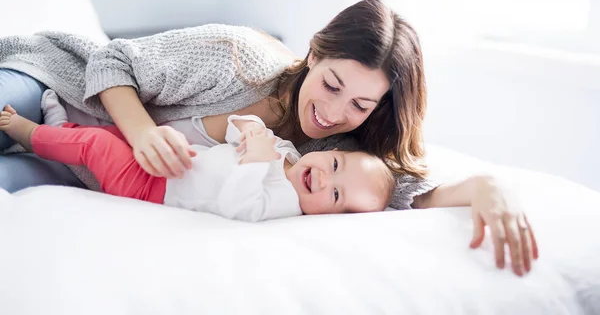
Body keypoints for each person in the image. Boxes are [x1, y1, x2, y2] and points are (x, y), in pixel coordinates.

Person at [0, 0, 538, 275]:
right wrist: (139, 131)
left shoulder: (329, 157)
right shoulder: (237, 57)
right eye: (330, 84)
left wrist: (488, 186)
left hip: (76, 164)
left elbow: (397, 191)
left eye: (359, 104)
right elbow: (110, 58)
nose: (331, 113)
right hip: (54, 81)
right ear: (314, 52)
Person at [0, 104, 394, 221]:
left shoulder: (286, 204)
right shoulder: (289, 154)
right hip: (174, 161)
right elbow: (238, 132)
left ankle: (24, 130)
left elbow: (236, 206)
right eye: (337, 165)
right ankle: (58, 129)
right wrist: (249, 128)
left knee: (96, 144)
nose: (325, 179)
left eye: (336, 195)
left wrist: (256, 162)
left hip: (153, 190)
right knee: (119, 136)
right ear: (330, 151)